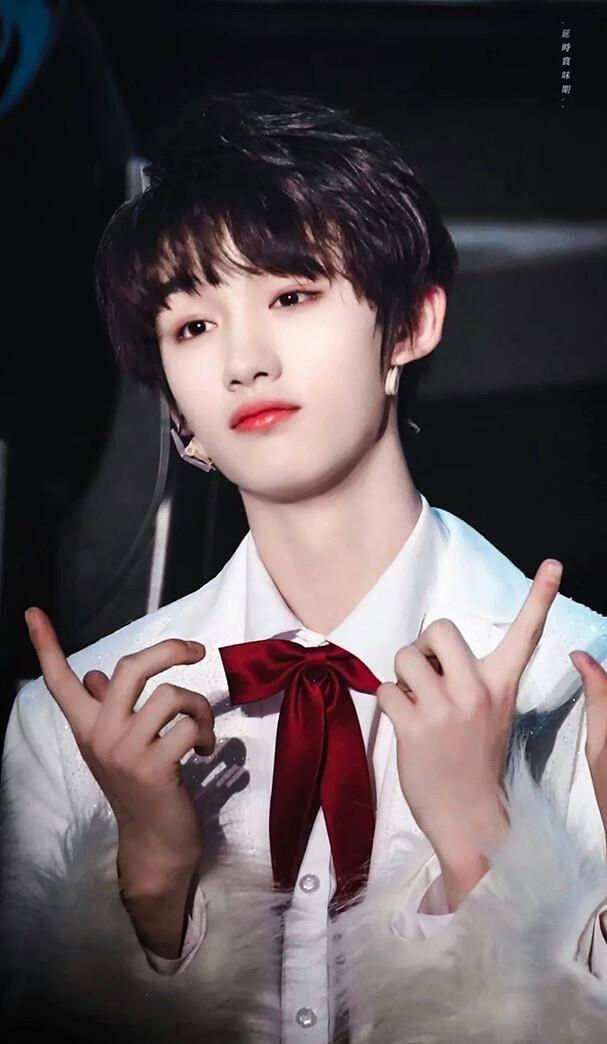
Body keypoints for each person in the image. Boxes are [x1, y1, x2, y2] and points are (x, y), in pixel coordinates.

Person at [2, 90, 607, 1044]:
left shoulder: (577, 683)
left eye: (289, 296)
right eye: (191, 327)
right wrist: (150, 883)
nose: (243, 362)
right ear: (174, 405)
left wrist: (478, 842)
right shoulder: (74, 726)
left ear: (409, 326)